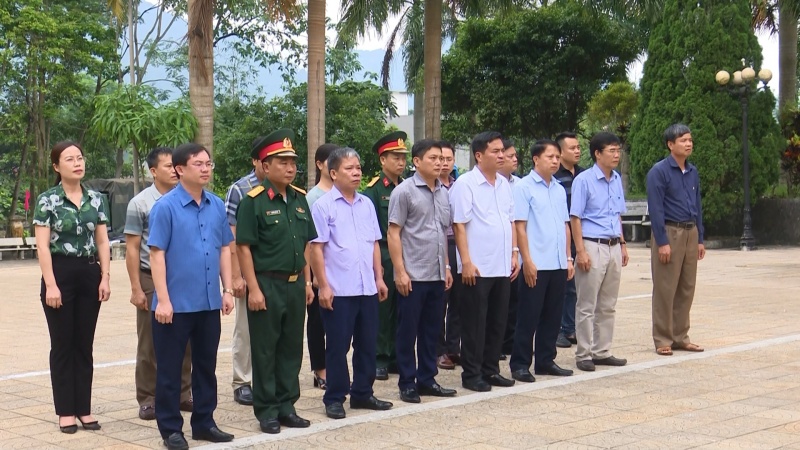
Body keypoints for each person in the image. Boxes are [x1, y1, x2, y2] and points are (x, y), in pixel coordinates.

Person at [148, 143, 235, 449]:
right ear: (180, 169)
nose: (205, 169)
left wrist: (227, 289)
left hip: (208, 302)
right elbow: (156, 254)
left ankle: (204, 422)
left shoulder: (216, 205)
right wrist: (163, 299)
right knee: (170, 370)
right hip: (175, 305)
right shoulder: (165, 207)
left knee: (206, 367)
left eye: (208, 163)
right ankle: (171, 429)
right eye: (198, 164)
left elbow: (224, 248)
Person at [236, 129, 317, 434]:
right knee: (265, 350)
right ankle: (267, 410)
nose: (289, 167)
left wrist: (307, 283)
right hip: (266, 284)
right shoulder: (253, 202)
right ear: (265, 166)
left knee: (291, 348)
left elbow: (306, 244)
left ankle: (287, 406)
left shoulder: (300, 199)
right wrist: (254, 289)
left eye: (292, 162)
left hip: (295, 285)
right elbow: (243, 247)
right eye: (282, 162)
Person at [34, 141, 111, 434]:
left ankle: (84, 409)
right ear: (57, 166)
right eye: (69, 159)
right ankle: (66, 411)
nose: (77, 163)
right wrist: (51, 285)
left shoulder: (96, 199)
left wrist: (105, 277)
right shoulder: (47, 200)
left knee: (84, 343)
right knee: (63, 344)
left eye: (80, 158)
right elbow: (43, 246)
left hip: (89, 272)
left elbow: (102, 240)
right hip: (60, 273)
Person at [310, 147, 393, 420]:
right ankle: (334, 397)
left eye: (358, 167)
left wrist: (379, 278)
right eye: (349, 168)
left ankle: (362, 393)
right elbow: (316, 249)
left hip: (366, 287)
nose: (356, 172)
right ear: (333, 173)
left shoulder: (366, 204)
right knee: (337, 346)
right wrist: (323, 286)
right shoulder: (323, 206)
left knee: (367, 343)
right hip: (339, 289)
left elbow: (374, 244)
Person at [124, 147, 193, 421]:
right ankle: (148, 398)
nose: (174, 170)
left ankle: (184, 393)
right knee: (150, 342)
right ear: (153, 171)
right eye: (168, 166)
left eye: (176, 166)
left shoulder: (188, 198)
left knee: (185, 338)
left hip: (182, 278)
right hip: (150, 277)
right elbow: (132, 248)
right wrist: (136, 288)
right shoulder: (140, 203)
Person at [449, 131, 519, 392]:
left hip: (501, 265)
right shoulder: (465, 184)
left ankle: (491, 370)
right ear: (479, 156)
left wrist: (514, 253)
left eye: (503, 151)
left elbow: (510, 221)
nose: (501, 155)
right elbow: (459, 225)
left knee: (497, 321)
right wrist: (466, 261)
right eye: (495, 151)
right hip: (477, 267)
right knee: (475, 324)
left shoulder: (503, 184)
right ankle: (472, 374)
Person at [387, 139, 457, 403]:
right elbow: (394, 233)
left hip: (437, 273)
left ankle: (427, 379)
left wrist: (447, 266)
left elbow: (441, 233)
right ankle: (407, 382)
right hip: (413, 275)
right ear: (417, 162)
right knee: (407, 332)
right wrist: (400, 271)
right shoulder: (404, 192)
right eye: (433, 158)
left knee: (431, 331)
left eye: (442, 158)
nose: (440, 163)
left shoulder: (443, 192)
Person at [509, 140, 575, 383]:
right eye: (550, 156)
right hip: (536, 262)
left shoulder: (558, 188)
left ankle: (546, 360)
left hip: (558, 262)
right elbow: (520, 226)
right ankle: (520, 364)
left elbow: (565, 225)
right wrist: (526, 260)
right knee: (528, 315)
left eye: (557, 157)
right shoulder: (524, 187)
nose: (555, 161)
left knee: (553, 315)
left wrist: (568, 258)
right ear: (536, 159)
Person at [569, 132, 629, 372]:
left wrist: (623, 244)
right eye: (611, 151)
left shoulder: (616, 179)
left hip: (613, 245)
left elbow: (617, 214)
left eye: (618, 150)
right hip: (592, 245)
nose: (616, 155)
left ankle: (602, 351)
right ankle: (583, 353)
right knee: (586, 304)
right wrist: (581, 251)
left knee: (608, 303)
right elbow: (575, 217)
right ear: (597, 154)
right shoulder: (583, 180)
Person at [646, 123, 706, 356]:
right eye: (683, 140)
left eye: (690, 140)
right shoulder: (659, 172)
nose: (688, 144)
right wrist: (662, 242)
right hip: (670, 231)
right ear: (670, 145)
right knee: (665, 287)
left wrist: (700, 238)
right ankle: (663, 338)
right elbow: (656, 209)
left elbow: (697, 205)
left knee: (687, 287)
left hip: (690, 231)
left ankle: (681, 336)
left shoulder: (692, 171)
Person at [224, 139, 269, 406]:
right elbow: (231, 235)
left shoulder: (287, 189)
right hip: (248, 270)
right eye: (266, 159)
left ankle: (267, 379)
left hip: (275, 272)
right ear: (255, 161)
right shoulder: (240, 189)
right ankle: (242, 381)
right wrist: (236, 277)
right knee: (245, 329)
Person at [362, 131, 408, 380]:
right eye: (395, 157)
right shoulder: (373, 190)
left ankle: (396, 356)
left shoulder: (408, 186)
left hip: (406, 253)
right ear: (382, 160)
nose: (401, 162)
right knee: (383, 308)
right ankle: (379, 357)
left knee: (403, 308)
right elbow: (369, 229)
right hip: (383, 253)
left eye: (403, 157)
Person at [305, 143, 339, 390]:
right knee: (317, 322)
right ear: (319, 164)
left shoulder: (344, 194)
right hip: (319, 273)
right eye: (331, 160)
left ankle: (335, 366)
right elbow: (308, 243)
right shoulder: (313, 198)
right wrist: (312, 277)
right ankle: (320, 369)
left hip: (340, 272)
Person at [554, 132, 584, 349]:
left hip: (580, 237)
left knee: (574, 286)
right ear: (560, 151)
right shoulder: (554, 176)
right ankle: (557, 330)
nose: (577, 151)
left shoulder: (584, 175)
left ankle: (570, 327)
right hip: (560, 236)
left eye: (578, 147)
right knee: (560, 286)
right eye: (572, 148)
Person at [436, 141, 461, 370]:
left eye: (448, 159)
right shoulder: (431, 187)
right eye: (440, 159)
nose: (444, 163)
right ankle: (439, 350)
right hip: (439, 246)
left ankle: (454, 347)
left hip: (459, 245)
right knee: (440, 300)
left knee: (459, 300)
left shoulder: (459, 185)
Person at [498, 138, 521, 359]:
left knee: (513, 301)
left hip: (515, 252)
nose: (515, 159)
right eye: (510, 155)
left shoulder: (519, 185)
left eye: (515, 155)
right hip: (493, 255)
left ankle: (508, 343)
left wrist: (516, 251)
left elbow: (515, 221)